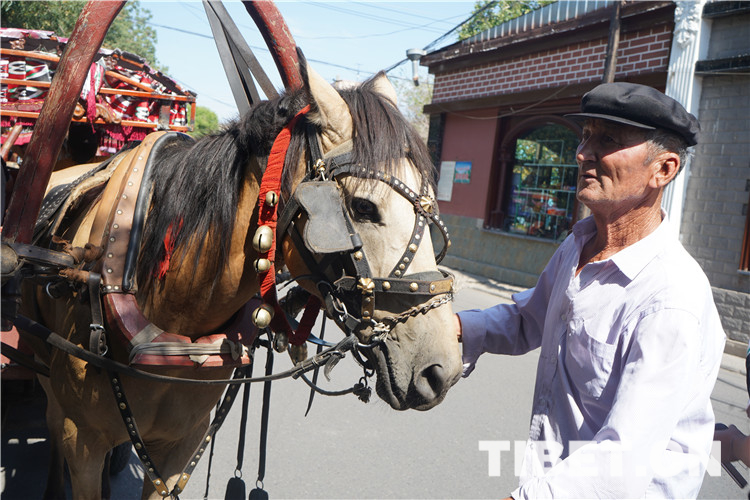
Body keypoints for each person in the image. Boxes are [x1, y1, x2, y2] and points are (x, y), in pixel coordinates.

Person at [456, 82, 726, 499]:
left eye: (609, 140)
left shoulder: (671, 298)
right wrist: (453, 328)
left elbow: (622, 460)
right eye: (585, 136)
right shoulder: (579, 245)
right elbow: (529, 319)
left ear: (663, 169)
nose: (583, 153)